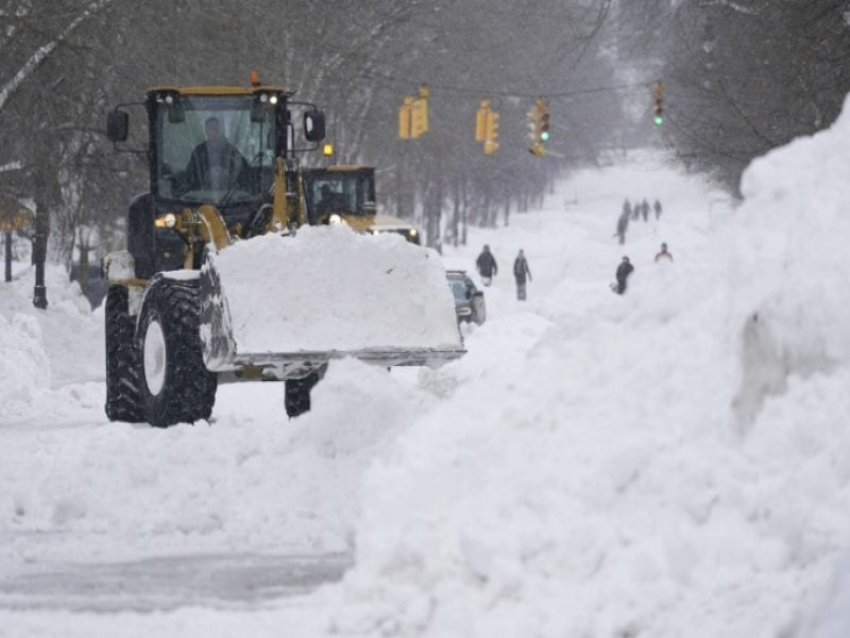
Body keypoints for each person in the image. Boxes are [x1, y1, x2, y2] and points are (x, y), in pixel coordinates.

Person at [186, 116, 249, 192]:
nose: (214, 131)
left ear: (220, 130)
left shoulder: (232, 151)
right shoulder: (199, 152)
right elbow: (191, 176)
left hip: (230, 198)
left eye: (216, 129)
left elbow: (243, 175)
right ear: (206, 131)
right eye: (211, 129)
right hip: (202, 197)